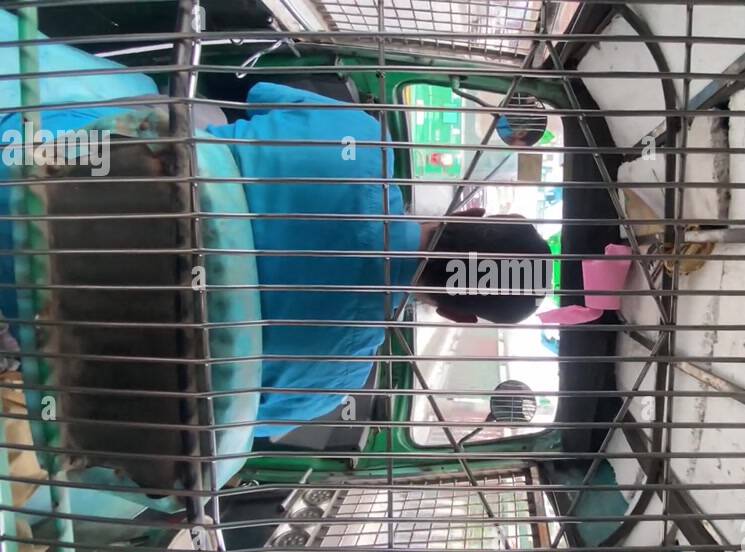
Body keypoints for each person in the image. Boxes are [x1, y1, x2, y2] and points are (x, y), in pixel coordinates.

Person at [205, 82, 551, 438]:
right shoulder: (333, 382)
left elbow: (252, 93)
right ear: (454, 313)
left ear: (471, 212)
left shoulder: (362, 138)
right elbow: (229, 425)